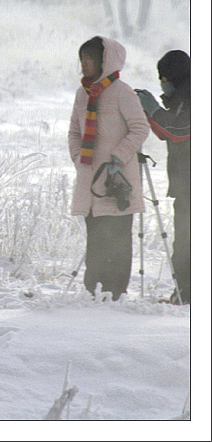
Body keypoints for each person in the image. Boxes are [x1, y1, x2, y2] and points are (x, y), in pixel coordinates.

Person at [68, 36, 150, 300]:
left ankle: (116, 292)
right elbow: (73, 132)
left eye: (90, 59)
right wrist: (79, 157)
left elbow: (140, 128)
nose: (85, 64)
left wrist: (118, 157)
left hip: (117, 179)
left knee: (117, 238)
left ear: (105, 61)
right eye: (83, 59)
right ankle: (93, 290)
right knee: (95, 236)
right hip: (89, 178)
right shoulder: (82, 94)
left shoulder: (122, 92)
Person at [135, 50, 191, 305]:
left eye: (164, 77)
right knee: (184, 241)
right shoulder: (181, 97)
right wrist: (151, 113)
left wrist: (154, 110)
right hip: (185, 183)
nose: (162, 83)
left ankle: (188, 295)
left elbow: (180, 130)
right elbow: (167, 132)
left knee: (188, 242)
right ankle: (185, 292)